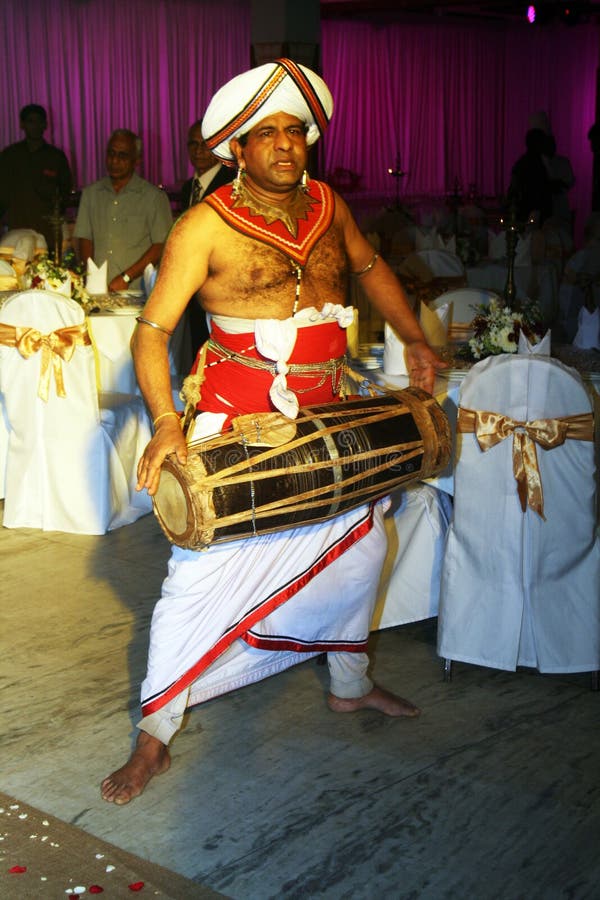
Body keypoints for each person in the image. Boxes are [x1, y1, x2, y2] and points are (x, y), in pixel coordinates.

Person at [101, 59, 446, 806]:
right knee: (194, 582)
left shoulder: (331, 207)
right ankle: (154, 736)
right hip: (240, 424)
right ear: (238, 149)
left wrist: (414, 338)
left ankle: (349, 686)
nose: (286, 144)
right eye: (268, 133)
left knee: (360, 557)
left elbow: (374, 266)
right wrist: (167, 421)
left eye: (296, 131)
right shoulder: (204, 224)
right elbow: (151, 332)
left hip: (331, 416)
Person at [74, 129, 172, 293]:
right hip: (97, 292)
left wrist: (127, 277)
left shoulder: (154, 197)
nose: (114, 161)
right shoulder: (91, 194)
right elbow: (84, 238)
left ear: (137, 160)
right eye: (111, 154)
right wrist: (91, 278)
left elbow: (161, 246)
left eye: (122, 156)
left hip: (137, 291)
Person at [180, 121, 234, 354]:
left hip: (220, 284)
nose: (198, 150)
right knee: (195, 350)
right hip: (191, 284)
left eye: (205, 144)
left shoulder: (231, 184)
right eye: (193, 144)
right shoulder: (187, 188)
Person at [0, 104, 73, 255]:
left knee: (47, 277)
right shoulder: (9, 156)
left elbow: (65, 194)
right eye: (30, 121)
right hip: (14, 234)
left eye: (39, 121)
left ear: (45, 125)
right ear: (22, 124)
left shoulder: (56, 157)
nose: (35, 126)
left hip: (47, 236)